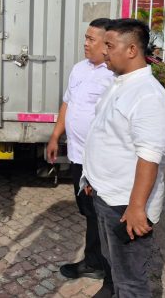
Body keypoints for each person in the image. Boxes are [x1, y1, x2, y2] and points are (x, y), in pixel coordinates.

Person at [82, 18, 165, 298]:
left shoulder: (149, 96)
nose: (104, 51)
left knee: (131, 281)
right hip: (107, 195)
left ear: (132, 50)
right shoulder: (121, 83)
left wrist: (136, 208)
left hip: (125, 204)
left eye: (110, 45)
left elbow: (149, 158)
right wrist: (91, 179)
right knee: (114, 266)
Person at [46, 18, 114, 284]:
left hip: (97, 160)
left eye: (91, 39)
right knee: (88, 211)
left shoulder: (113, 75)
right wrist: (55, 136)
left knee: (100, 213)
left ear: (107, 44)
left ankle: (101, 265)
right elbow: (68, 103)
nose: (85, 43)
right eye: (86, 38)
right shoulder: (79, 69)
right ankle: (96, 260)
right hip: (77, 155)